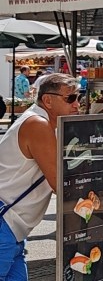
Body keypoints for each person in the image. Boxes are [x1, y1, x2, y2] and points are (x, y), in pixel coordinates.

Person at [0, 74, 80, 279]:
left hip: (12, 229)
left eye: (79, 97)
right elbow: (59, 183)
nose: (77, 104)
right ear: (48, 100)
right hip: (5, 224)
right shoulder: (38, 124)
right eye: (70, 98)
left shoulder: (46, 124)